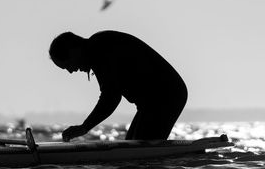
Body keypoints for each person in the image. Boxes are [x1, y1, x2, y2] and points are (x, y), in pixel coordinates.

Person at [49, 30, 188, 141]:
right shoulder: (96, 47)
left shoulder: (99, 49)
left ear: (74, 50)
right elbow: (111, 95)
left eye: (67, 65)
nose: (71, 71)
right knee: (132, 146)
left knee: (138, 153)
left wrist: (84, 127)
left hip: (166, 95)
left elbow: (111, 98)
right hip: (153, 101)